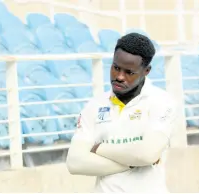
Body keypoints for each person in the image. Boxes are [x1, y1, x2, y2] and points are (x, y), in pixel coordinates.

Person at [66, 33, 177, 192]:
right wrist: (133, 162)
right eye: (116, 68)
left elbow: (147, 154)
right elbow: (75, 162)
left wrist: (98, 149)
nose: (119, 77)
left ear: (146, 71)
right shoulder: (94, 106)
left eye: (129, 72)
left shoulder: (161, 102)